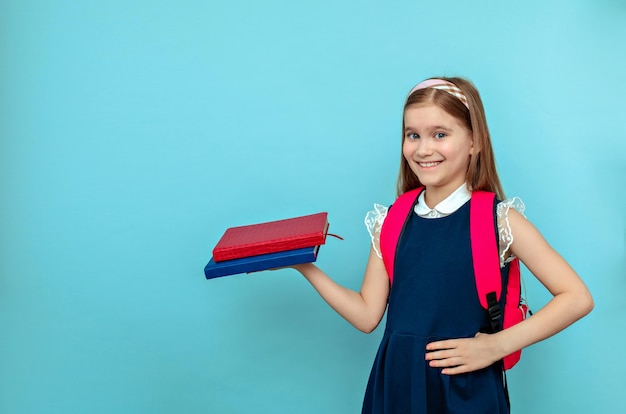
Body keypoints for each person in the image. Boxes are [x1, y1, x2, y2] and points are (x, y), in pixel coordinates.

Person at [290, 77, 593, 413]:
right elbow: (366, 315)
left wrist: (496, 346)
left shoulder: (499, 220)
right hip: (396, 386)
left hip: (467, 391)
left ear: (475, 141)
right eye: (412, 135)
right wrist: (304, 266)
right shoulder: (390, 221)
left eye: (440, 134)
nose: (423, 149)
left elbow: (576, 297)